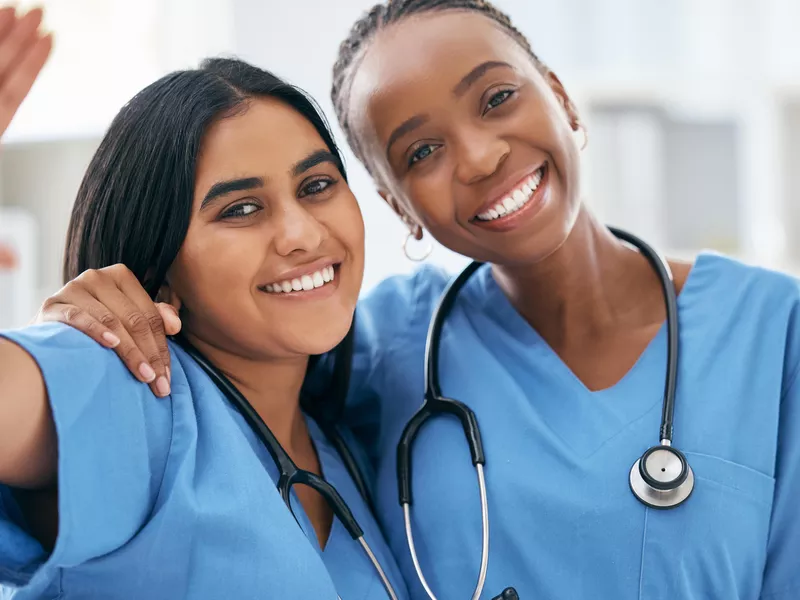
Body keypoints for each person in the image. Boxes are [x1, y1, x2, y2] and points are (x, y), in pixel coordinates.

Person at [38, 0, 800, 598]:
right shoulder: (378, 348)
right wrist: (99, 319)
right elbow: (212, 379)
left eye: (498, 98)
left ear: (562, 97)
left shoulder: (777, 334)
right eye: (420, 151)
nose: (479, 156)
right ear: (397, 203)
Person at [0, 8, 408, 599]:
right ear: (159, 273)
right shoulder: (127, 389)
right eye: (240, 209)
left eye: (316, 186)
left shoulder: (346, 446)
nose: (301, 233)